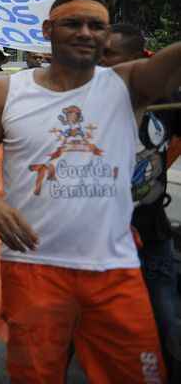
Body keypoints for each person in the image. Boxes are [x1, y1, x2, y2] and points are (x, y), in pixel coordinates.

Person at [0, 0, 181, 383]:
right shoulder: (7, 92)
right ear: (48, 30)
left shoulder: (127, 84)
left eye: (96, 26)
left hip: (113, 269)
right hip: (32, 268)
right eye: (73, 23)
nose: (85, 33)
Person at [102, 22, 181, 375]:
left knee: (164, 320)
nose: (99, 61)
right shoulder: (83, 99)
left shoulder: (167, 101)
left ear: (136, 60)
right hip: (95, 238)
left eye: (109, 54)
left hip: (151, 234)